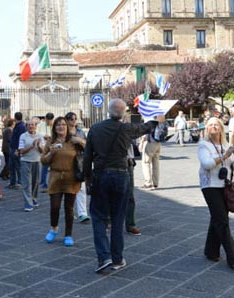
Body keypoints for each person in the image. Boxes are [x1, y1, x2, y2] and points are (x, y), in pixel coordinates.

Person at [83, 98, 164, 273]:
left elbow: (87, 156)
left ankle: (103, 257)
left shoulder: (95, 129)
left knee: (98, 217)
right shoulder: (126, 129)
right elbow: (144, 128)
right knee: (119, 217)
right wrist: (155, 120)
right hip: (120, 174)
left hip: (101, 175)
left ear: (108, 111)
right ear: (123, 113)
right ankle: (117, 258)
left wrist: (87, 178)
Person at [198, 117, 234, 270]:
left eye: (216, 124)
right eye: (210, 125)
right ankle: (233, 258)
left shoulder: (226, 145)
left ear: (221, 128)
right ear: (206, 128)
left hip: (225, 185)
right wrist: (225, 156)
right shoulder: (203, 145)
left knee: (217, 218)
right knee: (222, 220)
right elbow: (207, 164)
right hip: (210, 185)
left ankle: (210, 251)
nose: (213, 127)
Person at [41, 117, 82, 246]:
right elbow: (43, 160)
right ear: (54, 128)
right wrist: (51, 154)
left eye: (63, 124)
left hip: (71, 178)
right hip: (55, 177)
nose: (61, 127)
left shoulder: (74, 141)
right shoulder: (50, 142)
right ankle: (54, 228)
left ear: (67, 127)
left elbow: (89, 149)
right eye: (58, 125)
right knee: (55, 207)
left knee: (69, 209)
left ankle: (68, 235)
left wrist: (80, 140)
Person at [65, 112, 89, 223]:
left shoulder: (80, 132)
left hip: (80, 161)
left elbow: (87, 146)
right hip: (67, 162)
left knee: (81, 188)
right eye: (70, 119)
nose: (73, 120)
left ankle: (82, 213)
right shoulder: (63, 132)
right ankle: (70, 211)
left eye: (74, 118)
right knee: (69, 189)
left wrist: (79, 141)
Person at [19, 119, 44, 211]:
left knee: (35, 182)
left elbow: (43, 151)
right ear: (26, 126)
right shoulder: (23, 136)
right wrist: (32, 146)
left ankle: (33, 198)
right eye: (29, 125)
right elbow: (21, 151)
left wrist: (39, 146)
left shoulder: (40, 136)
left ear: (35, 126)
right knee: (26, 183)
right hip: (25, 161)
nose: (31, 126)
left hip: (36, 161)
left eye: (32, 125)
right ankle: (28, 204)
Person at [9, 112, 26, 189]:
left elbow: (20, 139)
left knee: (17, 166)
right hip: (13, 148)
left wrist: (17, 150)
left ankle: (20, 182)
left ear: (15, 117)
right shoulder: (19, 125)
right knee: (12, 166)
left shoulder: (21, 126)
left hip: (15, 149)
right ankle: (13, 182)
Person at [37, 113, 54, 192]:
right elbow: (37, 133)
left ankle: (53, 184)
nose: (49, 122)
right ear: (45, 119)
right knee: (44, 167)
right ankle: (43, 184)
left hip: (53, 147)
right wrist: (44, 135)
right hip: (45, 148)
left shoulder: (54, 125)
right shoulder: (40, 125)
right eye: (47, 120)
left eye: (50, 121)